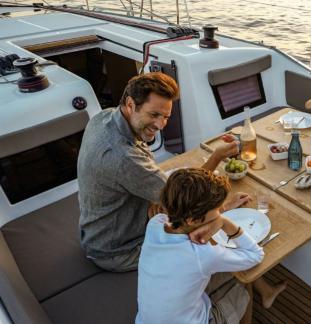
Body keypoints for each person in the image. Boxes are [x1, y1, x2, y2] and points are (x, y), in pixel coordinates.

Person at [77, 72, 239, 272]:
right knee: (204, 235)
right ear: (130, 104)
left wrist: (154, 197)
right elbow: (186, 197)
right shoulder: (123, 158)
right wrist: (217, 159)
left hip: (101, 227)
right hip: (118, 250)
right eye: (154, 115)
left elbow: (135, 175)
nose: (160, 125)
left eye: (166, 117)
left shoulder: (104, 117)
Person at [137, 168, 286, 324]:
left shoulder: (156, 223)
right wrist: (223, 222)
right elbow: (256, 255)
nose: (218, 213)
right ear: (192, 220)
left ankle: (267, 292)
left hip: (146, 319)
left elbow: (186, 212)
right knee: (243, 280)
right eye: (215, 210)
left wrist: (224, 208)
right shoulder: (202, 254)